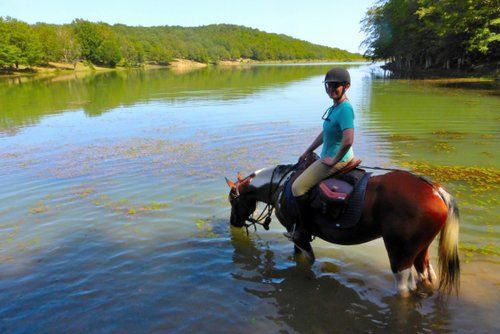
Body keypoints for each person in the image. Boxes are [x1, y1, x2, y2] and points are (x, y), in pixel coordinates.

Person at [285, 67, 355, 250]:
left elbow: (348, 140)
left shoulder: (345, 109)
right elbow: (325, 133)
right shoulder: (335, 107)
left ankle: (304, 231)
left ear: (346, 87)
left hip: (336, 158)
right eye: (328, 85)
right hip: (330, 155)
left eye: (336, 86)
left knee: (297, 187)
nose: (331, 89)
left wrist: (334, 160)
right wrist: (308, 150)